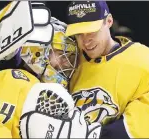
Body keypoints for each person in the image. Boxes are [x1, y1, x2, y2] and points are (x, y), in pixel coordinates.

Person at [0, 8, 78, 139]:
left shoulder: (42, 91)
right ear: (39, 46)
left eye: (70, 60)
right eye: (60, 54)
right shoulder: (13, 79)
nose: (65, 64)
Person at [64, 1, 149, 138]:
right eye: (79, 34)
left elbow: (138, 127)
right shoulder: (68, 60)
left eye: (92, 31)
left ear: (109, 21)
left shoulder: (143, 60)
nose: (85, 41)